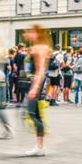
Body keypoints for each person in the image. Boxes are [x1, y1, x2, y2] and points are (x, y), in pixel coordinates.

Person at [23, 25, 52, 156]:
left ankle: (39, 147)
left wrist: (35, 88)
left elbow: (40, 70)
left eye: (30, 31)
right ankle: (39, 146)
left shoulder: (39, 48)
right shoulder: (42, 47)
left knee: (32, 114)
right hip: (38, 82)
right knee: (34, 114)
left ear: (36, 33)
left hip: (37, 82)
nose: (27, 33)